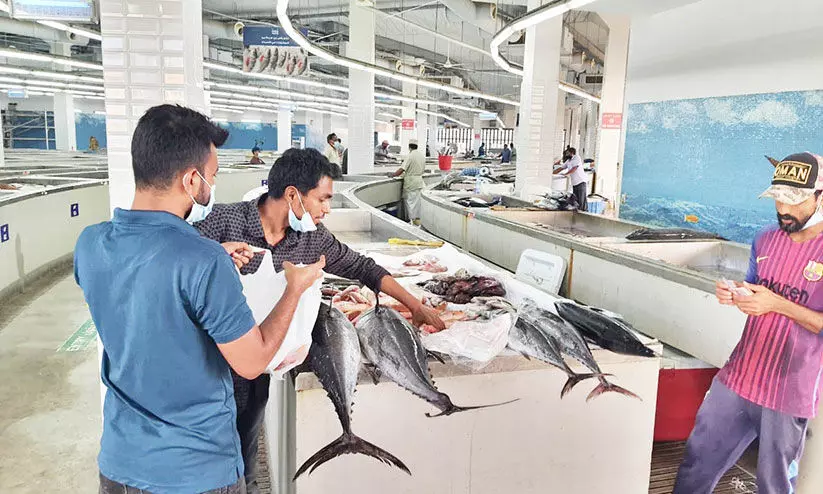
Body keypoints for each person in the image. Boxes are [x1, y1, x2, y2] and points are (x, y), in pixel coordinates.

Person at [74, 104, 324, 493]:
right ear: (192, 180)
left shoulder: (91, 244)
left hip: (120, 465)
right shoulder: (203, 261)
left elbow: (144, 288)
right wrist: (294, 289)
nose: (212, 186)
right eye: (212, 175)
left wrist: (211, 256)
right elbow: (252, 362)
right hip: (195, 471)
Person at [195, 148, 445, 492]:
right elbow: (174, 260)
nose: (327, 209)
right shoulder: (223, 221)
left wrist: (415, 305)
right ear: (293, 195)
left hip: (257, 370)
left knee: (244, 459)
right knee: (203, 459)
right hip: (207, 366)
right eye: (323, 199)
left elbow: (362, 268)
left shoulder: (312, 238)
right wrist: (214, 256)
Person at [674, 152, 823, 494]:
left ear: (821, 197)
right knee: (697, 463)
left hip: (790, 388)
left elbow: (778, 303)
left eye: (795, 199)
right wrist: (736, 293)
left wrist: (777, 304)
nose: (783, 209)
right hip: (739, 376)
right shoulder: (764, 239)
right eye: (778, 198)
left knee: (774, 484)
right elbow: (756, 288)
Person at [392, 139, 426, 225]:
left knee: (411, 203)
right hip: (419, 182)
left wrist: (393, 175)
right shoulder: (421, 156)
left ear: (409, 147)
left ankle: (413, 222)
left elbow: (402, 169)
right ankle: (418, 222)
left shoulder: (410, 156)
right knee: (417, 203)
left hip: (411, 183)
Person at [553, 147, 587, 211]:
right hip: (574, 183)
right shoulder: (568, 161)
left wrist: (566, 174)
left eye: (567, 153)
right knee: (576, 200)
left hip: (581, 182)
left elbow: (574, 168)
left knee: (581, 200)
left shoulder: (577, 158)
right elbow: (561, 168)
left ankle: (583, 213)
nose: (566, 155)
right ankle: (577, 212)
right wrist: (552, 173)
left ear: (572, 153)